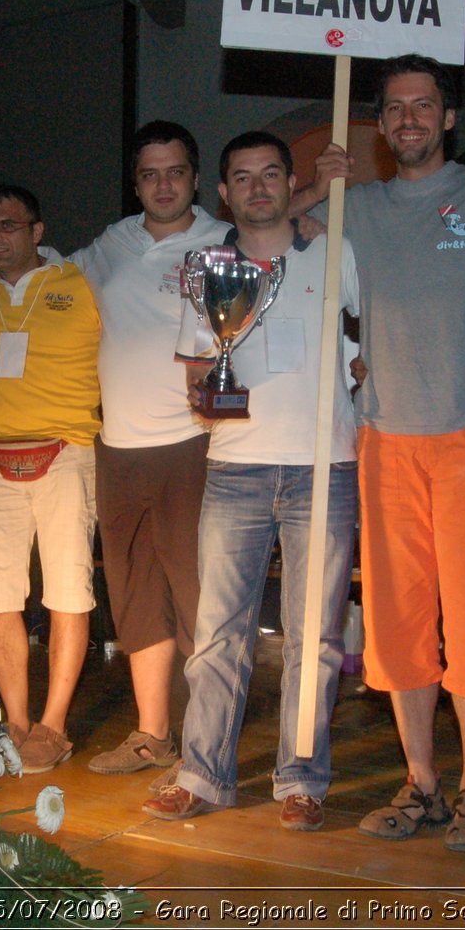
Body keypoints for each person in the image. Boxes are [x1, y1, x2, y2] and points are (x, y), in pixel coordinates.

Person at [292, 54, 465, 851]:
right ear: (381, 124)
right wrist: (313, 185)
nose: (409, 119)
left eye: (423, 105)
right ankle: (422, 783)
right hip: (386, 435)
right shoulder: (354, 205)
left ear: (448, 117)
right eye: (395, 108)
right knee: (396, 624)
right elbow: (275, 233)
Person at [142, 130, 359, 832]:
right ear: (224, 193)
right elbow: (197, 377)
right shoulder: (206, 270)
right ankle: (203, 774)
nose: (259, 187)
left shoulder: (334, 252)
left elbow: (381, 330)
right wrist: (213, 391)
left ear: (291, 182)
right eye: (244, 176)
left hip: (324, 465)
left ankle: (301, 778)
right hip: (235, 467)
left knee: (315, 637)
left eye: (272, 174)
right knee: (217, 634)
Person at [70, 120, 227, 777]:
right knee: (135, 597)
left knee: (200, 599)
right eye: (149, 174)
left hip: (191, 446)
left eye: (175, 172)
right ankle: (151, 735)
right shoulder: (115, 243)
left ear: (195, 178)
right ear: (135, 183)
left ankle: (207, 744)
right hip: (119, 449)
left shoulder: (222, 242)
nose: (163, 185)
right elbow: (41, 281)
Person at [0, 184, 102, 773]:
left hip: (68, 449)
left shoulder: (84, 281)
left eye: (9, 225)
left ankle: (53, 725)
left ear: (37, 230)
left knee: (69, 589)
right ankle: (16, 723)